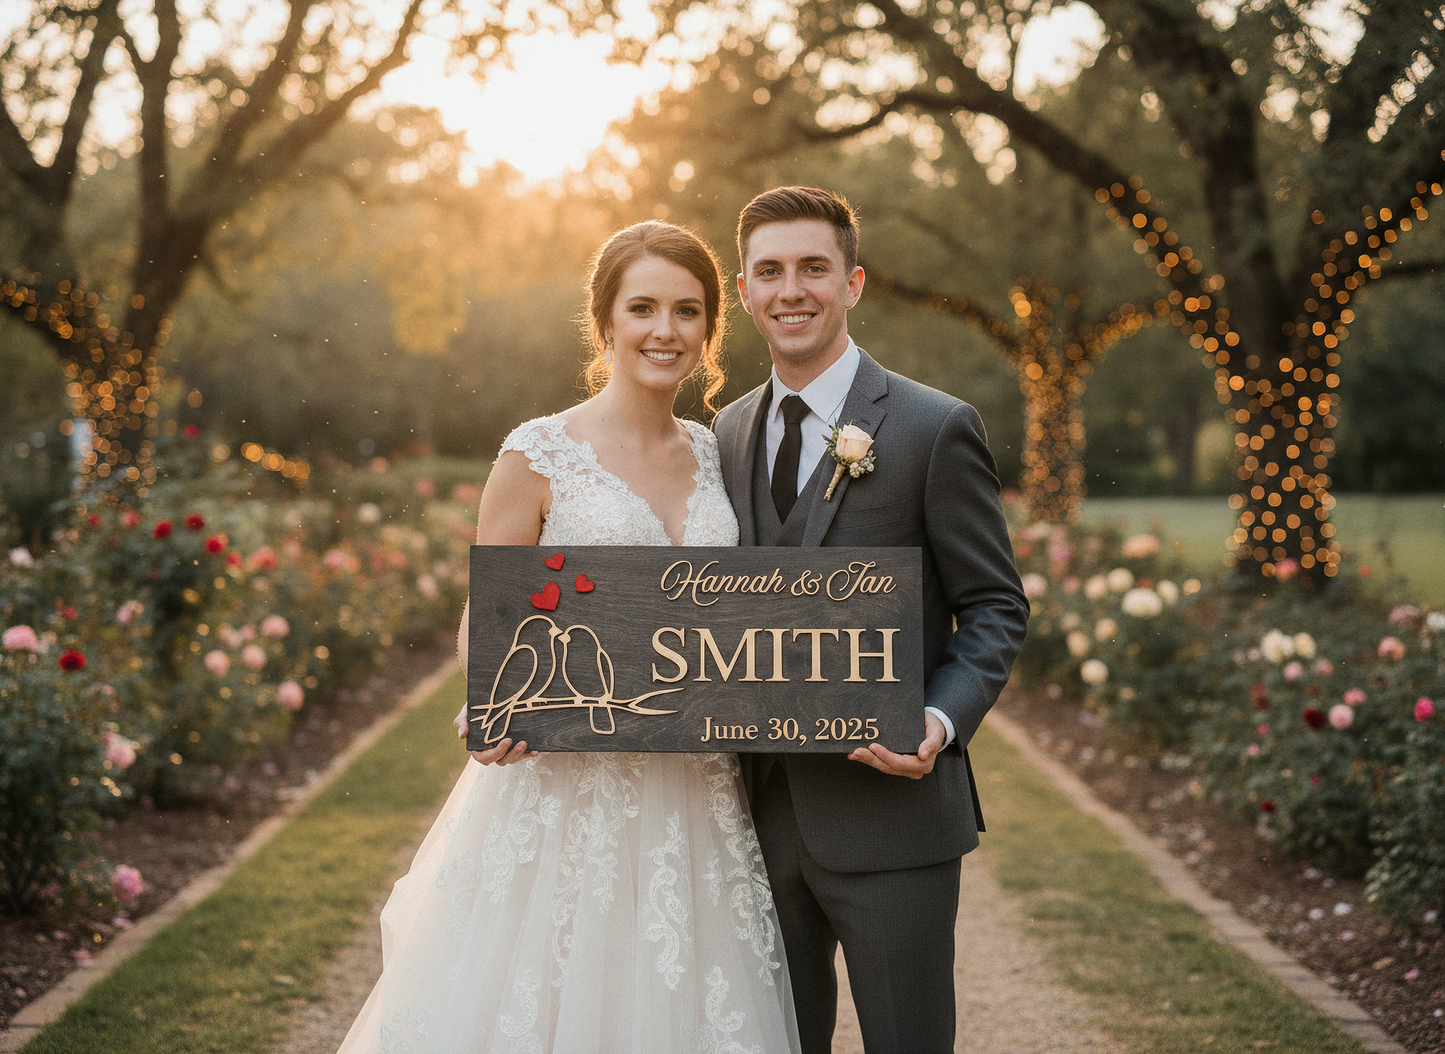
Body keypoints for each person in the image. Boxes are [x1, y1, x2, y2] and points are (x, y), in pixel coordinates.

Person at [338, 221, 800, 1054]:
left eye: (687, 311)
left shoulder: (716, 452)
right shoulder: (539, 452)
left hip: (695, 785)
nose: (666, 330)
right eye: (644, 308)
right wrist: (488, 697)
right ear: (606, 321)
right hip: (566, 781)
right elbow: (495, 604)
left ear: (708, 328)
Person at [712, 186, 1030, 1054]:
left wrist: (936, 720)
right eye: (769, 271)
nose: (791, 290)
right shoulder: (725, 431)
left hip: (893, 817)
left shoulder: (932, 428)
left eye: (812, 268)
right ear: (743, 291)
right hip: (754, 819)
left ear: (852, 283)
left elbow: (996, 606)